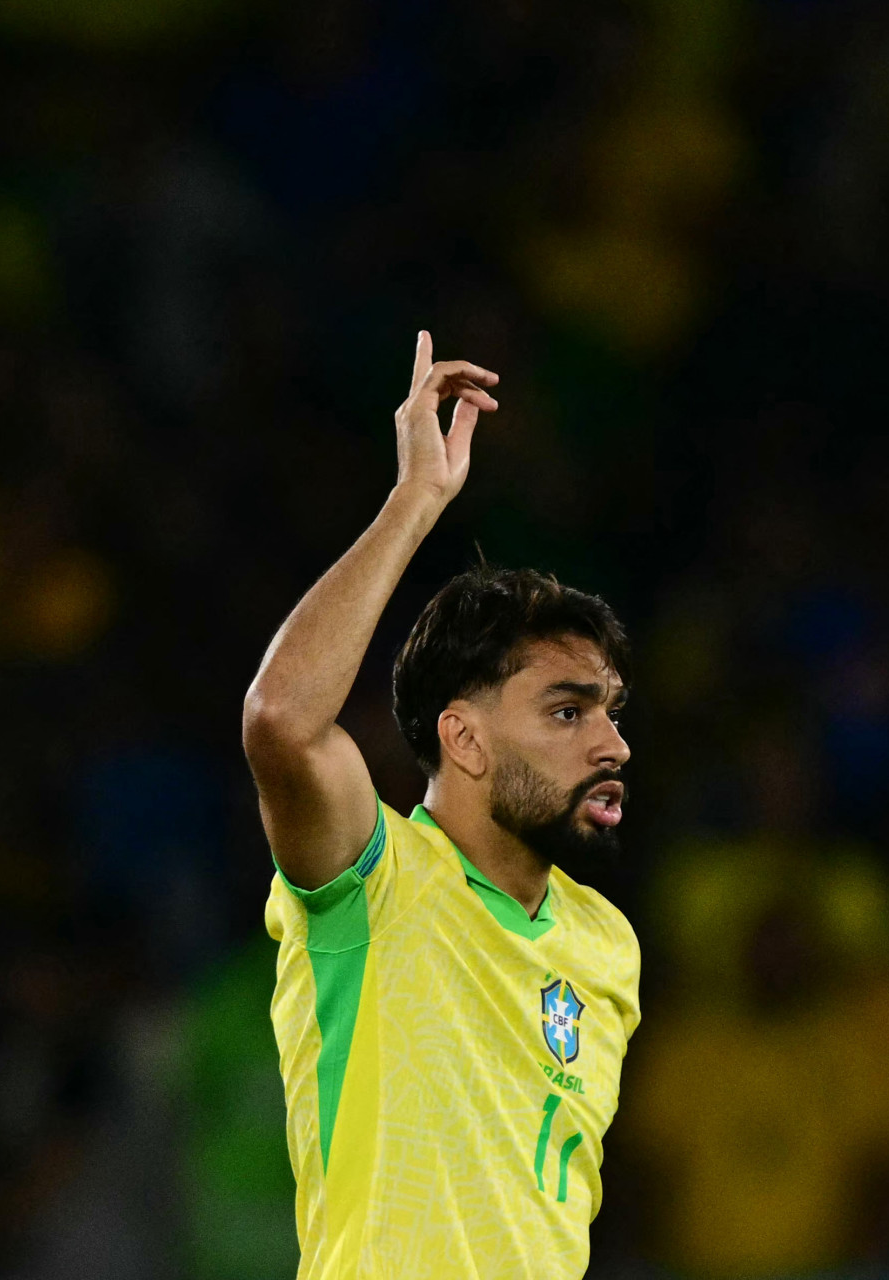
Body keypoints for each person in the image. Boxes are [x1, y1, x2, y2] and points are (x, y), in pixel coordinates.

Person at [240, 332, 641, 1279]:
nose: (614, 745)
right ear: (462, 739)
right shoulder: (369, 883)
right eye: (567, 711)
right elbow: (283, 725)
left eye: (612, 713)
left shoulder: (608, 947)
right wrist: (415, 499)